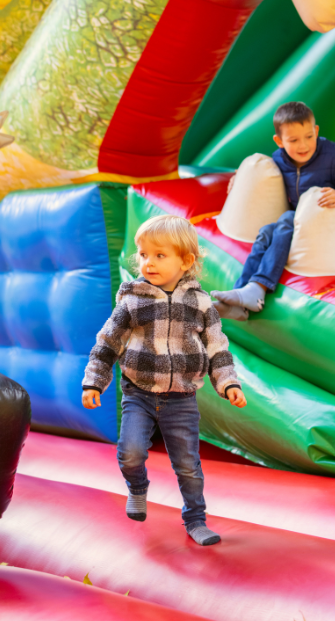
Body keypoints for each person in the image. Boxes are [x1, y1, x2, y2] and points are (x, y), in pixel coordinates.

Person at [82, 214, 247, 546]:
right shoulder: (132, 300)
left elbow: (217, 346)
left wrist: (228, 382)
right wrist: (95, 381)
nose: (148, 263)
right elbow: (108, 342)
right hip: (139, 393)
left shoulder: (200, 304)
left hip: (181, 398)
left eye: (160, 255)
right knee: (130, 453)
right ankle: (138, 488)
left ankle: (196, 520)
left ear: (185, 261)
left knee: (187, 464)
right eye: (143, 255)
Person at [212, 101, 335, 320]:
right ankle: (240, 297)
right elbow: (262, 172)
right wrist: (238, 177)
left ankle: (258, 287)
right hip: (304, 223)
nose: (303, 145)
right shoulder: (280, 159)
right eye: (293, 140)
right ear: (279, 141)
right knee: (266, 232)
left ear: (316, 131)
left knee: (287, 218)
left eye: (309, 136)